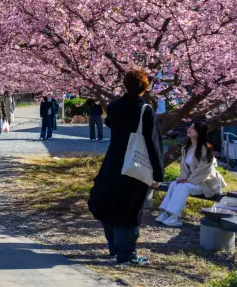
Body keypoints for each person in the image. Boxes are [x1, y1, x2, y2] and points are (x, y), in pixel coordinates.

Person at [88, 69, 164, 266]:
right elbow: (154, 144)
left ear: (125, 85)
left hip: (113, 162)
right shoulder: (145, 110)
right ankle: (127, 255)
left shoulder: (114, 107)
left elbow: (110, 124)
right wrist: (158, 174)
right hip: (134, 167)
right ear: (145, 87)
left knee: (110, 203)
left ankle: (114, 247)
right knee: (130, 210)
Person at [156, 121, 227, 227]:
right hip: (193, 182)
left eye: (193, 128)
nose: (189, 129)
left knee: (182, 187)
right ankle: (167, 213)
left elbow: (204, 170)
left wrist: (187, 180)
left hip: (206, 183)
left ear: (200, 132)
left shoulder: (206, 148)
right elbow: (183, 167)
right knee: (174, 184)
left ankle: (175, 217)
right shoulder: (186, 148)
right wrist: (183, 177)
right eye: (189, 127)